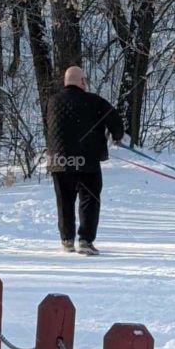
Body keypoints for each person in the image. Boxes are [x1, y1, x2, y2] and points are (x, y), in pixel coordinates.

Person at [46, 65, 124, 255]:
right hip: (87, 160)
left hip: (59, 161)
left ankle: (67, 239)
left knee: (64, 200)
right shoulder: (94, 101)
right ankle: (85, 240)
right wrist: (117, 136)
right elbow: (115, 120)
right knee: (89, 200)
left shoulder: (52, 101)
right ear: (82, 81)